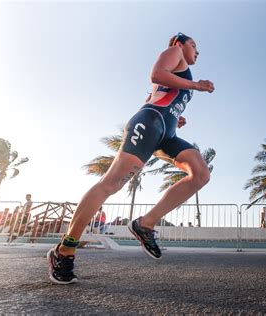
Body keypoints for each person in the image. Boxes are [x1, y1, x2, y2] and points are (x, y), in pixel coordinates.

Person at [47, 32, 214, 284]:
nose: (197, 51)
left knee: (200, 174)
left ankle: (145, 224)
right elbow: (156, 75)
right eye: (194, 44)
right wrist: (197, 85)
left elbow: (157, 94)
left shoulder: (180, 68)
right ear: (180, 43)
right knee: (111, 184)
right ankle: (65, 249)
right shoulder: (175, 52)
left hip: (165, 132)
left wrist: (174, 117)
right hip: (149, 124)